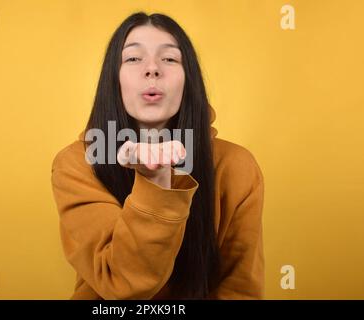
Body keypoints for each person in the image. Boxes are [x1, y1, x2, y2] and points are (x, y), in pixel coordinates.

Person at [51, 12, 264, 300]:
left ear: (189, 80)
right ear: (113, 79)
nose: (152, 69)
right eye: (133, 59)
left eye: (170, 59)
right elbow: (124, 285)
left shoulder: (237, 166)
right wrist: (155, 182)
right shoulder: (76, 164)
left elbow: (240, 289)